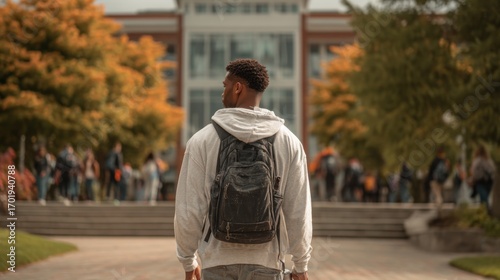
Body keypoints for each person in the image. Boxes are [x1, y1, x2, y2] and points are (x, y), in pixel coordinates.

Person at [174, 59, 312, 280]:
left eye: (225, 85)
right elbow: (298, 211)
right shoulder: (289, 142)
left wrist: (188, 261)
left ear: (237, 88)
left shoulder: (202, 140)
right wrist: (301, 264)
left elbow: (189, 209)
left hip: (216, 261)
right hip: (267, 262)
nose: (223, 92)